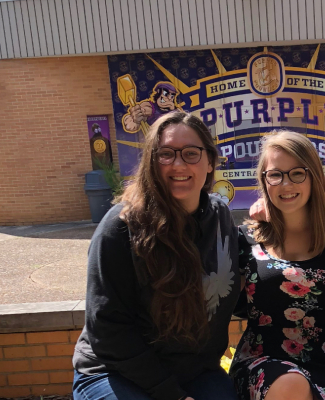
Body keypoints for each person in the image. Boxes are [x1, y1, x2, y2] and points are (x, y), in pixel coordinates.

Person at [72, 112, 241, 400]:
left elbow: (259, 269)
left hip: (195, 371)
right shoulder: (120, 227)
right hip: (116, 371)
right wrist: (171, 395)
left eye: (191, 153)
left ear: (210, 161)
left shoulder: (220, 218)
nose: (178, 164)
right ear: (151, 161)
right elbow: (109, 328)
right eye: (165, 154)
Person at [230, 131, 325, 400]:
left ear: (313, 177)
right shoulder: (245, 240)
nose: (286, 184)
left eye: (297, 173)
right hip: (262, 362)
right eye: (276, 175)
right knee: (291, 386)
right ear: (264, 181)